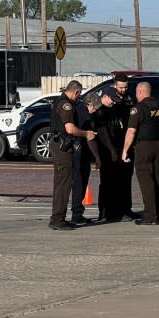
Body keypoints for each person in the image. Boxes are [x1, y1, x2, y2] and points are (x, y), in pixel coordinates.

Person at [48, 80, 95, 231]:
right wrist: (86, 133)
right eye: (78, 94)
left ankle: (58, 217)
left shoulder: (60, 101)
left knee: (61, 183)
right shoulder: (65, 104)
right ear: (76, 92)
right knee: (64, 184)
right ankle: (57, 219)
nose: (78, 97)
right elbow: (70, 129)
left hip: (59, 145)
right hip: (63, 147)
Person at [121, 82, 159, 225]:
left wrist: (125, 150)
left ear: (140, 92)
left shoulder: (139, 108)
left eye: (136, 93)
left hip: (145, 146)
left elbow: (131, 131)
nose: (136, 95)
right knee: (158, 179)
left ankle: (150, 215)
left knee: (146, 180)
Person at [85, 91, 123, 223]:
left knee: (112, 183)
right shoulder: (100, 112)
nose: (113, 102)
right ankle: (104, 213)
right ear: (105, 96)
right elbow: (103, 134)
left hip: (111, 150)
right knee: (106, 183)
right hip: (105, 152)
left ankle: (111, 212)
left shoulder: (110, 110)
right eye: (112, 99)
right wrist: (110, 151)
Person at [106, 73, 139, 222]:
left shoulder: (130, 98)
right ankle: (114, 211)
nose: (124, 89)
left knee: (127, 178)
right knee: (114, 179)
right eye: (121, 87)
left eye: (126, 87)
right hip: (115, 142)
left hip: (128, 142)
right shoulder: (108, 97)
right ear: (115, 85)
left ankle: (127, 208)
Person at [69, 91, 98, 225]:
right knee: (79, 182)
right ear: (89, 104)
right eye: (94, 108)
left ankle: (78, 212)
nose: (94, 111)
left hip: (81, 151)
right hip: (79, 151)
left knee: (81, 181)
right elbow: (88, 136)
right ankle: (76, 213)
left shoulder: (82, 111)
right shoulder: (84, 114)